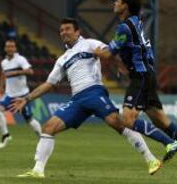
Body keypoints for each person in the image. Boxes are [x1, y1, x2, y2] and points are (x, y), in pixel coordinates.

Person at [10, 18, 164, 178]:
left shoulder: (90, 44)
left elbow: (110, 53)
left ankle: (151, 159)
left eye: (68, 29)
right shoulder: (62, 59)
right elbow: (49, 84)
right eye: (61, 30)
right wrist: (26, 99)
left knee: (117, 123)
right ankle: (37, 170)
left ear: (77, 32)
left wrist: (120, 66)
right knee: (48, 128)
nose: (64, 32)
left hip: (94, 91)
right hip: (77, 100)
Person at [94, 0, 177, 178]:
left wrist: (93, 50)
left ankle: (169, 143)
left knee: (126, 120)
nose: (114, 2)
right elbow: (135, 2)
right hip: (149, 75)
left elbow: (108, 53)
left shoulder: (124, 29)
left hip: (140, 77)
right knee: (161, 120)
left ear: (125, 6)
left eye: (118, 0)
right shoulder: (136, 18)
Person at [0, 40, 42, 147]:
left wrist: (16, 72)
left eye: (12, 47)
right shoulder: (4, 62)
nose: (10, 48)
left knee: (29, 120)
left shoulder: (20, 59)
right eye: (8, 47)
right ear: (5, 48)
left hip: (22, 95)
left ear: (15, 48)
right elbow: (3, 74)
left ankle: (42, 137)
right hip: (9, 94)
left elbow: (30, 71)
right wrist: (1, 86)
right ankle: (5, 135)